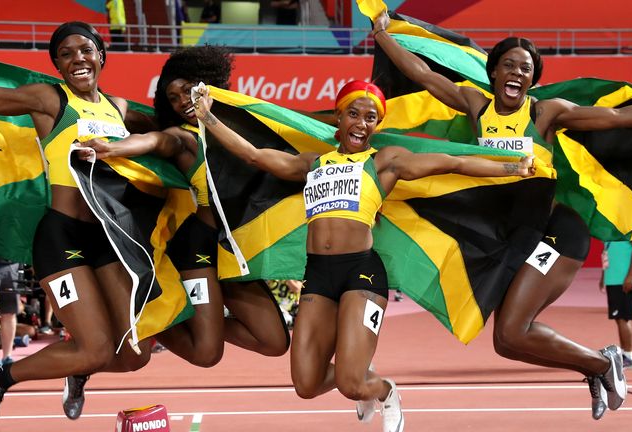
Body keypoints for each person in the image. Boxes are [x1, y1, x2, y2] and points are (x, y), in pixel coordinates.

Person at [371, 10, 632, 420]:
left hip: (554, 233)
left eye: (525, 69)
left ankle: (604, 363)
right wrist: (383, 36)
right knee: (508, 339)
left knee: (513, 328)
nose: (516, 72)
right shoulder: (477, 105)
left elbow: (618, 117)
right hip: (508, 236)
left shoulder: (544, 114)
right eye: (508, 65)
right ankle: (600, 363)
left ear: (532, 80)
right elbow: (423, 75)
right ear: (493, 73)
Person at [193, 79, 535, 431]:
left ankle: (384, 391)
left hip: (362, 274)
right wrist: (209, 117)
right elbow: (254, 155)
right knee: (306, 384)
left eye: (371, 117)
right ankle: (361, 379)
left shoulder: (384, 162)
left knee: (350, 383)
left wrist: (511, 168)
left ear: (377, 125)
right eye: (353, 114)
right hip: (318, 275)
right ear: (338, 118)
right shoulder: (313, 164)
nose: (361, 123)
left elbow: (452, 163)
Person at [0, 21, 180, 431]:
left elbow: (167, 131)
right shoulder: (49, 100)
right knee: (94, 349)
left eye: (85, 50)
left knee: (133, 353)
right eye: (65, 54)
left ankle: (76, 366)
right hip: (62, 236)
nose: (77, 59)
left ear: (101, 55)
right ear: (58, 66)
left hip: (108, 239)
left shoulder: (118, 109)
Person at [78, 45, 290, 373]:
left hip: (234, 251)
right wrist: (113, 146)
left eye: (188, 89)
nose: (182, 101)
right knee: (207, 354)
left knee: (275, 342)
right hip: (198, 249)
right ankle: (149, 322)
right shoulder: (183, 137)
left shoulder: (241, 127)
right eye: (173, 97)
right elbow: (154, 141)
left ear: (207, 82)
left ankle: (183, 318)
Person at [600, 234, 632, 370]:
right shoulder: (611, 228)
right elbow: (607, 254)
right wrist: (603, 277)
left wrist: (630, 277)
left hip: (625, 280)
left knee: (623, 318)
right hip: (613, 279)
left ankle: (629, 357)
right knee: (619, 319)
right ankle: (625, 355)